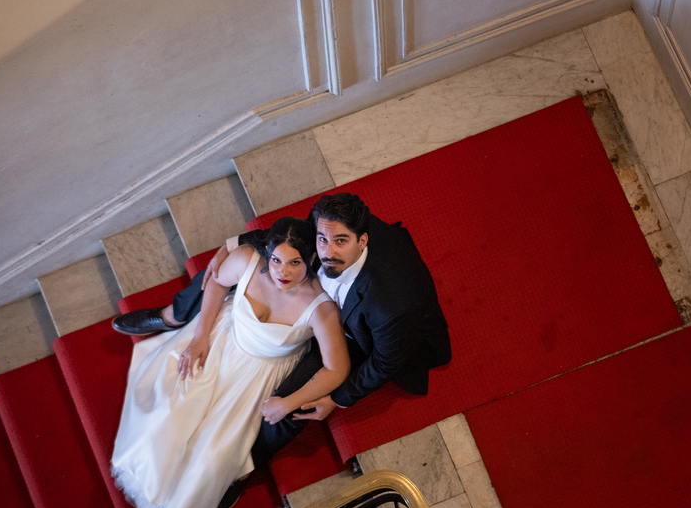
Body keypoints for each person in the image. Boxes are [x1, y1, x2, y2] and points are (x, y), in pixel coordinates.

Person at [112, 192, 451, 471]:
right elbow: (289, 238)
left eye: (341, 242)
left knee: (295, 401)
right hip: (323, 308)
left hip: (365, 335)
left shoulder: (391, 308)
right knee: (227, 269)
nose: (327, 252)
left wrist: (336, 398)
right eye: (322, 239)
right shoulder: (329, 228)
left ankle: (245, 465)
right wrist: (233, 245)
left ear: (362, 241)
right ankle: (173, 315)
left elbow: (384, 362)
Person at [110, 217, 349, 508]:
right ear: (267, 252)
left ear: (311, 259)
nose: (283, 272)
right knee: (171, 410)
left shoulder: (321, 309)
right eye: (277, 260)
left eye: (295, 263)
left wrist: (288, 402)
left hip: (257, 375)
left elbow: (337, 368)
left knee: (213, 450)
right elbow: (219, 284)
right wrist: (200, 335)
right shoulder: (247, 260)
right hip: (221, 340)